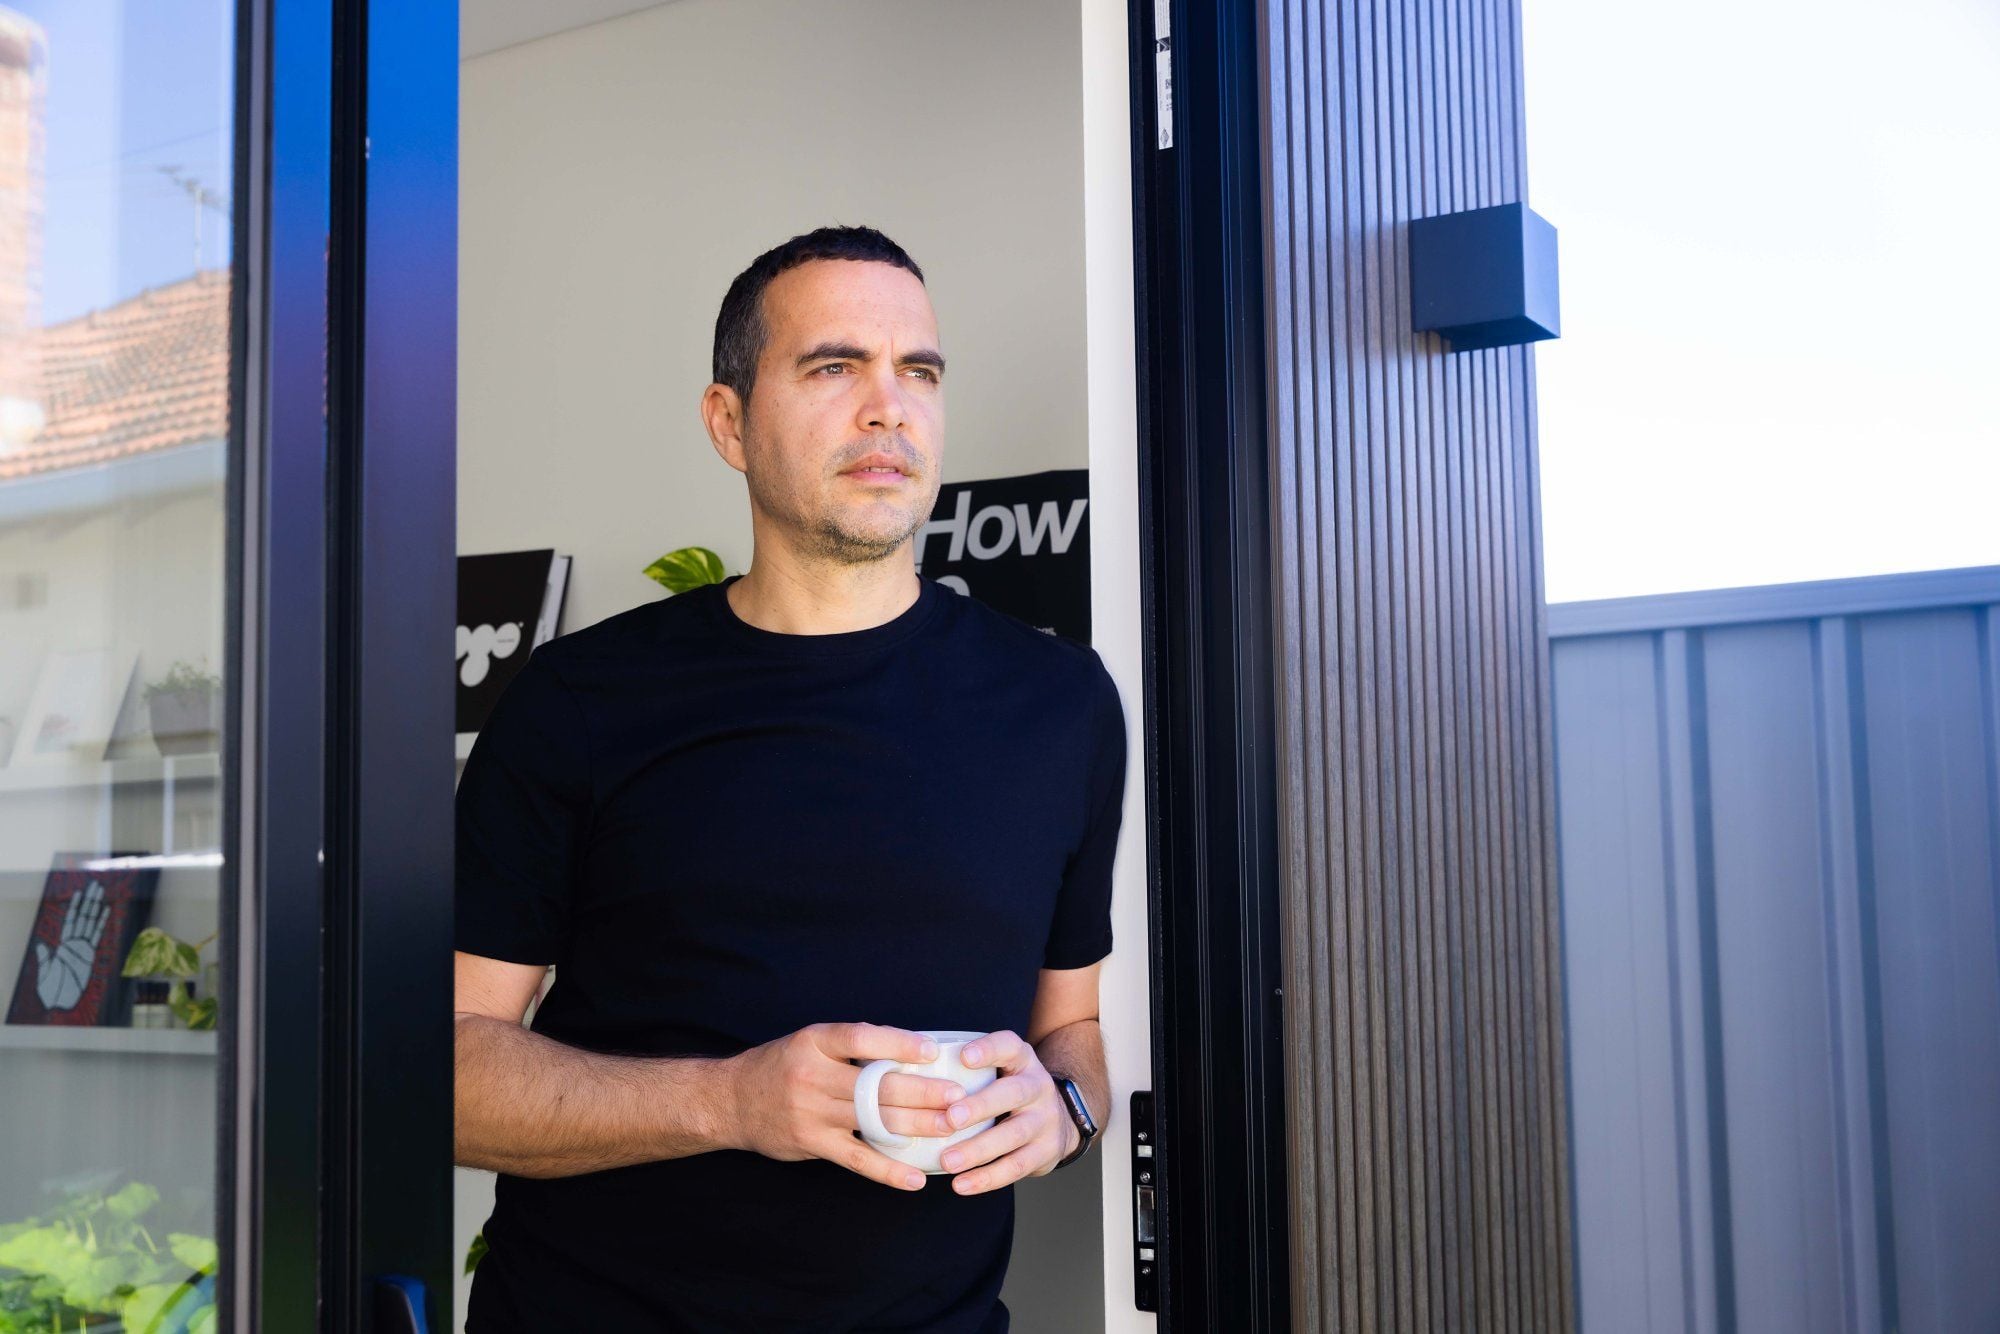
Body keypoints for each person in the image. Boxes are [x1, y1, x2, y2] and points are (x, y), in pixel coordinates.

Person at [454, 225, 1126, 1331]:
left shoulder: (1060, 705)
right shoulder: (579, 700)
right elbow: (442, 1073)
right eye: (832, 367)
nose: (886, 406)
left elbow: (1073, 1034)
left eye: (917, 371)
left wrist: (1060, 1113)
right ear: (729, 422)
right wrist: (727, 1099)